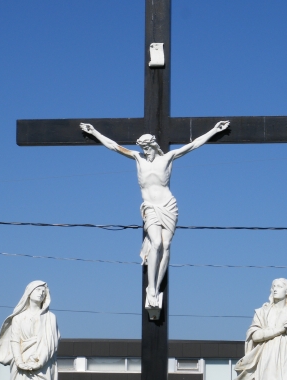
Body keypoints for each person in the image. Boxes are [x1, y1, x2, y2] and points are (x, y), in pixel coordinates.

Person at [80, 121, 230, 308]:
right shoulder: (137, 157)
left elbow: (193, 145)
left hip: (168, 205)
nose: (146, 152)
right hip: (150, 207)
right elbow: (114, 146)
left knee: (166, 246)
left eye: (147, 148)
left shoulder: (168, 158)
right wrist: (94, 132)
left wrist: (214, 130)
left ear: (153, 146)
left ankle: (157, 287)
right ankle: (151, 288)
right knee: (156, 243)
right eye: (143, 148)